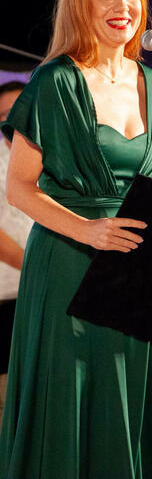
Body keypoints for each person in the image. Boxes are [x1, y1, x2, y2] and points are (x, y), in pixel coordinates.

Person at [0, 0, 152, 479]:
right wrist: (89, 230)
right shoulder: (56, 81)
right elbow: (19, 189)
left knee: (122, 408)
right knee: (67, 408)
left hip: (131, 275)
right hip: (67, 264)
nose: (123, 6)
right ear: (81, 3)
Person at [0, 80, 33, 427]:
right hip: (6, 297)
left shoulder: (53, 157)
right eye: (3, 116)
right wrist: (37, 265)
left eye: (17, 111)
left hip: (42, 296)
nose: (11, 121)